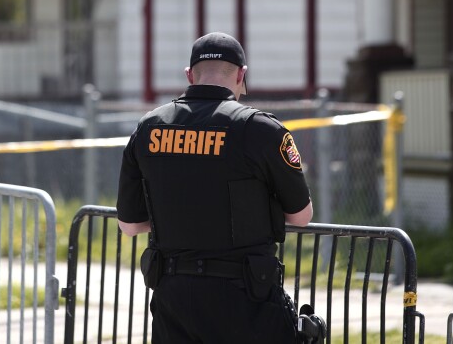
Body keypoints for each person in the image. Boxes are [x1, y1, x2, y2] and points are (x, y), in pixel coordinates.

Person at [116, 32, 313, 344]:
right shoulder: (260, 129)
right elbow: (301, 215)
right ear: (241, 75)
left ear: (190, 75)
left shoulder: (148, 127)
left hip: (173, 296)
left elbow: (129, 225)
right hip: (243, 297)